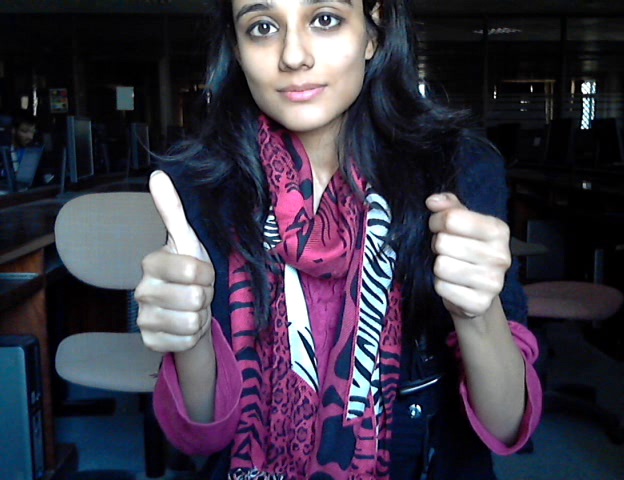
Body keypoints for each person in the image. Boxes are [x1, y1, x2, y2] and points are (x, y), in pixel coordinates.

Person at [135, 0, 543, 478]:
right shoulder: (200, 187)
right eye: (262, 27)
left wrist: (476, 314)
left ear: (374, 31)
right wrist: (193, 338)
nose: (293, 56)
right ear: (238, 49)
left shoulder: (458, 169)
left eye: (325, 19)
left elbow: (507, 425)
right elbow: (202, 439)